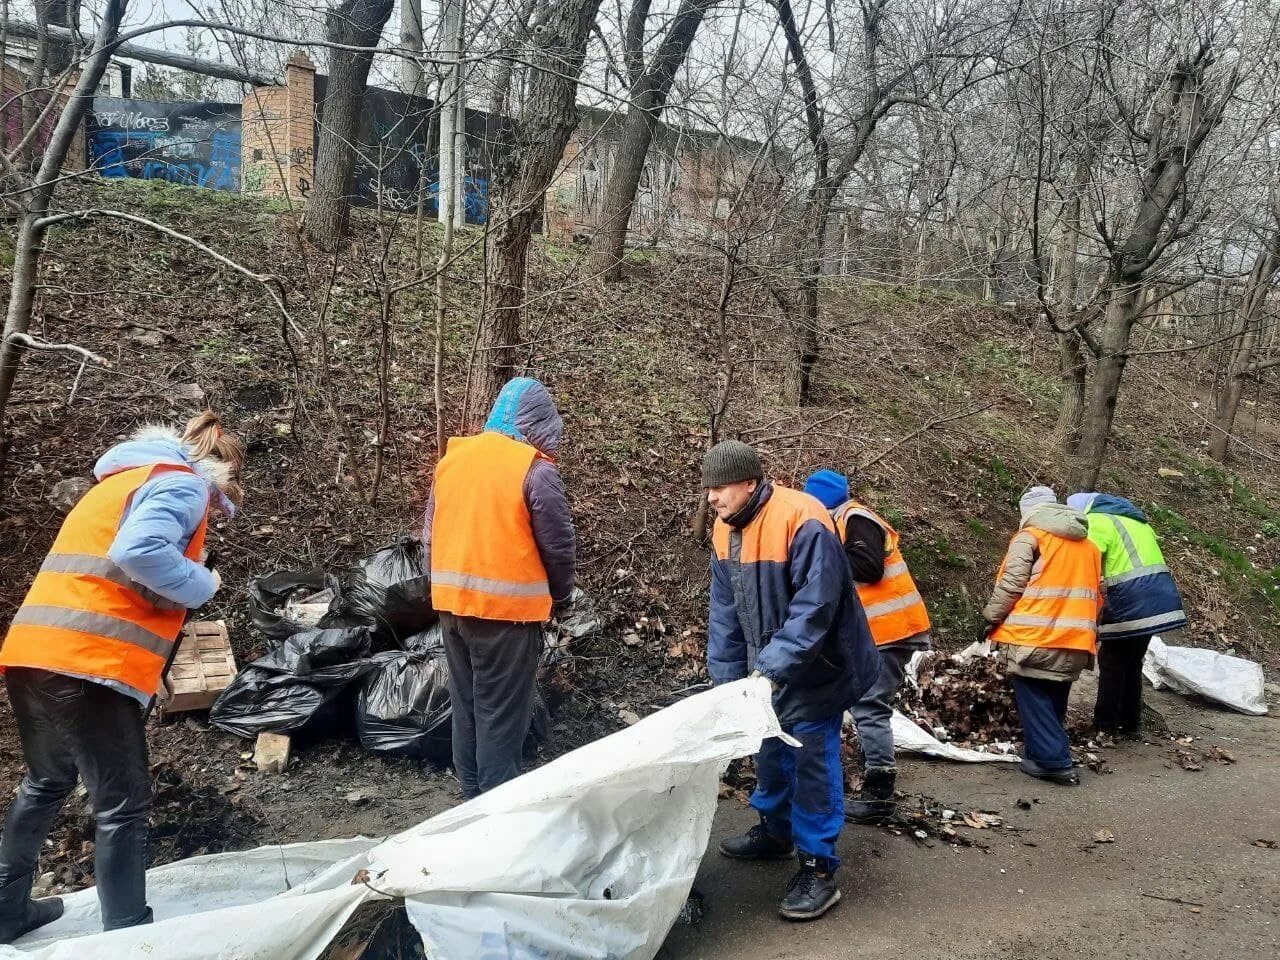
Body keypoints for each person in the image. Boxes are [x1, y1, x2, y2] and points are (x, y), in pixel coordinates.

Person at [0, 413, 244, 942]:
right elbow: (138, 551)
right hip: (88, 663)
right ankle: (129, 935)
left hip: (33, 649)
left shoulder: (118, 483)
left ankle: (7, 913)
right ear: (218, 471)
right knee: (122, 803)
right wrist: (203, 581)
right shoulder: (180, 484)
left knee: (45, 783)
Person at [703, 441, 878, 921]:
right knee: (769, 750)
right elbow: (725, 614)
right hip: (770, 669)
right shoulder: (725, 530)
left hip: (819, 665)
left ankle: (818, 866)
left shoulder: (804, 518)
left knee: (811, 760)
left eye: (719, 488)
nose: (712, 499)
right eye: (708, 489)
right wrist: (727, 680)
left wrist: (770, 668)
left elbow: (815, 608)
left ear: (748, 483)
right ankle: (775, 831)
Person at [423, 377, 576, 799]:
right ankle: (494, 809)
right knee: (501, 714)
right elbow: (558, 546)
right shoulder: (535, 470)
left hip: (452, 609)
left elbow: (429, 536)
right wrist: (562, 598)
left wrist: (439, 592)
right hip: (506, 618)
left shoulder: (453, 459)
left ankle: (470, 795)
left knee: (467, 705)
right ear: (539, 421)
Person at [803, 470, 930, 822]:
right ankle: (873, 772)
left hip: (889, 630)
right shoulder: (845, 519)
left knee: (870, 704)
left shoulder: (855, 518)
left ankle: (879, 793)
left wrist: (823, 557)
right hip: (882, 631)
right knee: (865, 702)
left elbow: (868, 567)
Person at [984, 486, 1102, 786]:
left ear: (1028, 512)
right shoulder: (1089, 545)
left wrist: (989, 617)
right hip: (1076, 638)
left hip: (1034, 636)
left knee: (1033, 695)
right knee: (1054, 695)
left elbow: (1012, 584)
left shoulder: (1031, 537)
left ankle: (1053, 761)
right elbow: (1100, 594)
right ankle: (1039, 753)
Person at [1066, 492, 1188, 738]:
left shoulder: (1099, 522)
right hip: (1158, 598)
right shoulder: (1137, 522)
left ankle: (1104, 724)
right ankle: (1129, 722)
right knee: (1132, 662)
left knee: (1111, 660)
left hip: (1130, 597)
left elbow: (1089, 560)